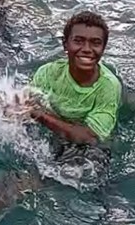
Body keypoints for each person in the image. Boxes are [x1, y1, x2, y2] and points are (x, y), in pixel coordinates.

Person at [24, 11, 124, 145]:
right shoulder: (48, 73)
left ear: (103, 48)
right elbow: (27, 105)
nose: (87, 49)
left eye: (95, 43)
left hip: (88, 148)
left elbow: (90, 138)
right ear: (65, 45)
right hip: (51, 132)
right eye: (78, 41)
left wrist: (39, 115)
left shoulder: (108, 86)